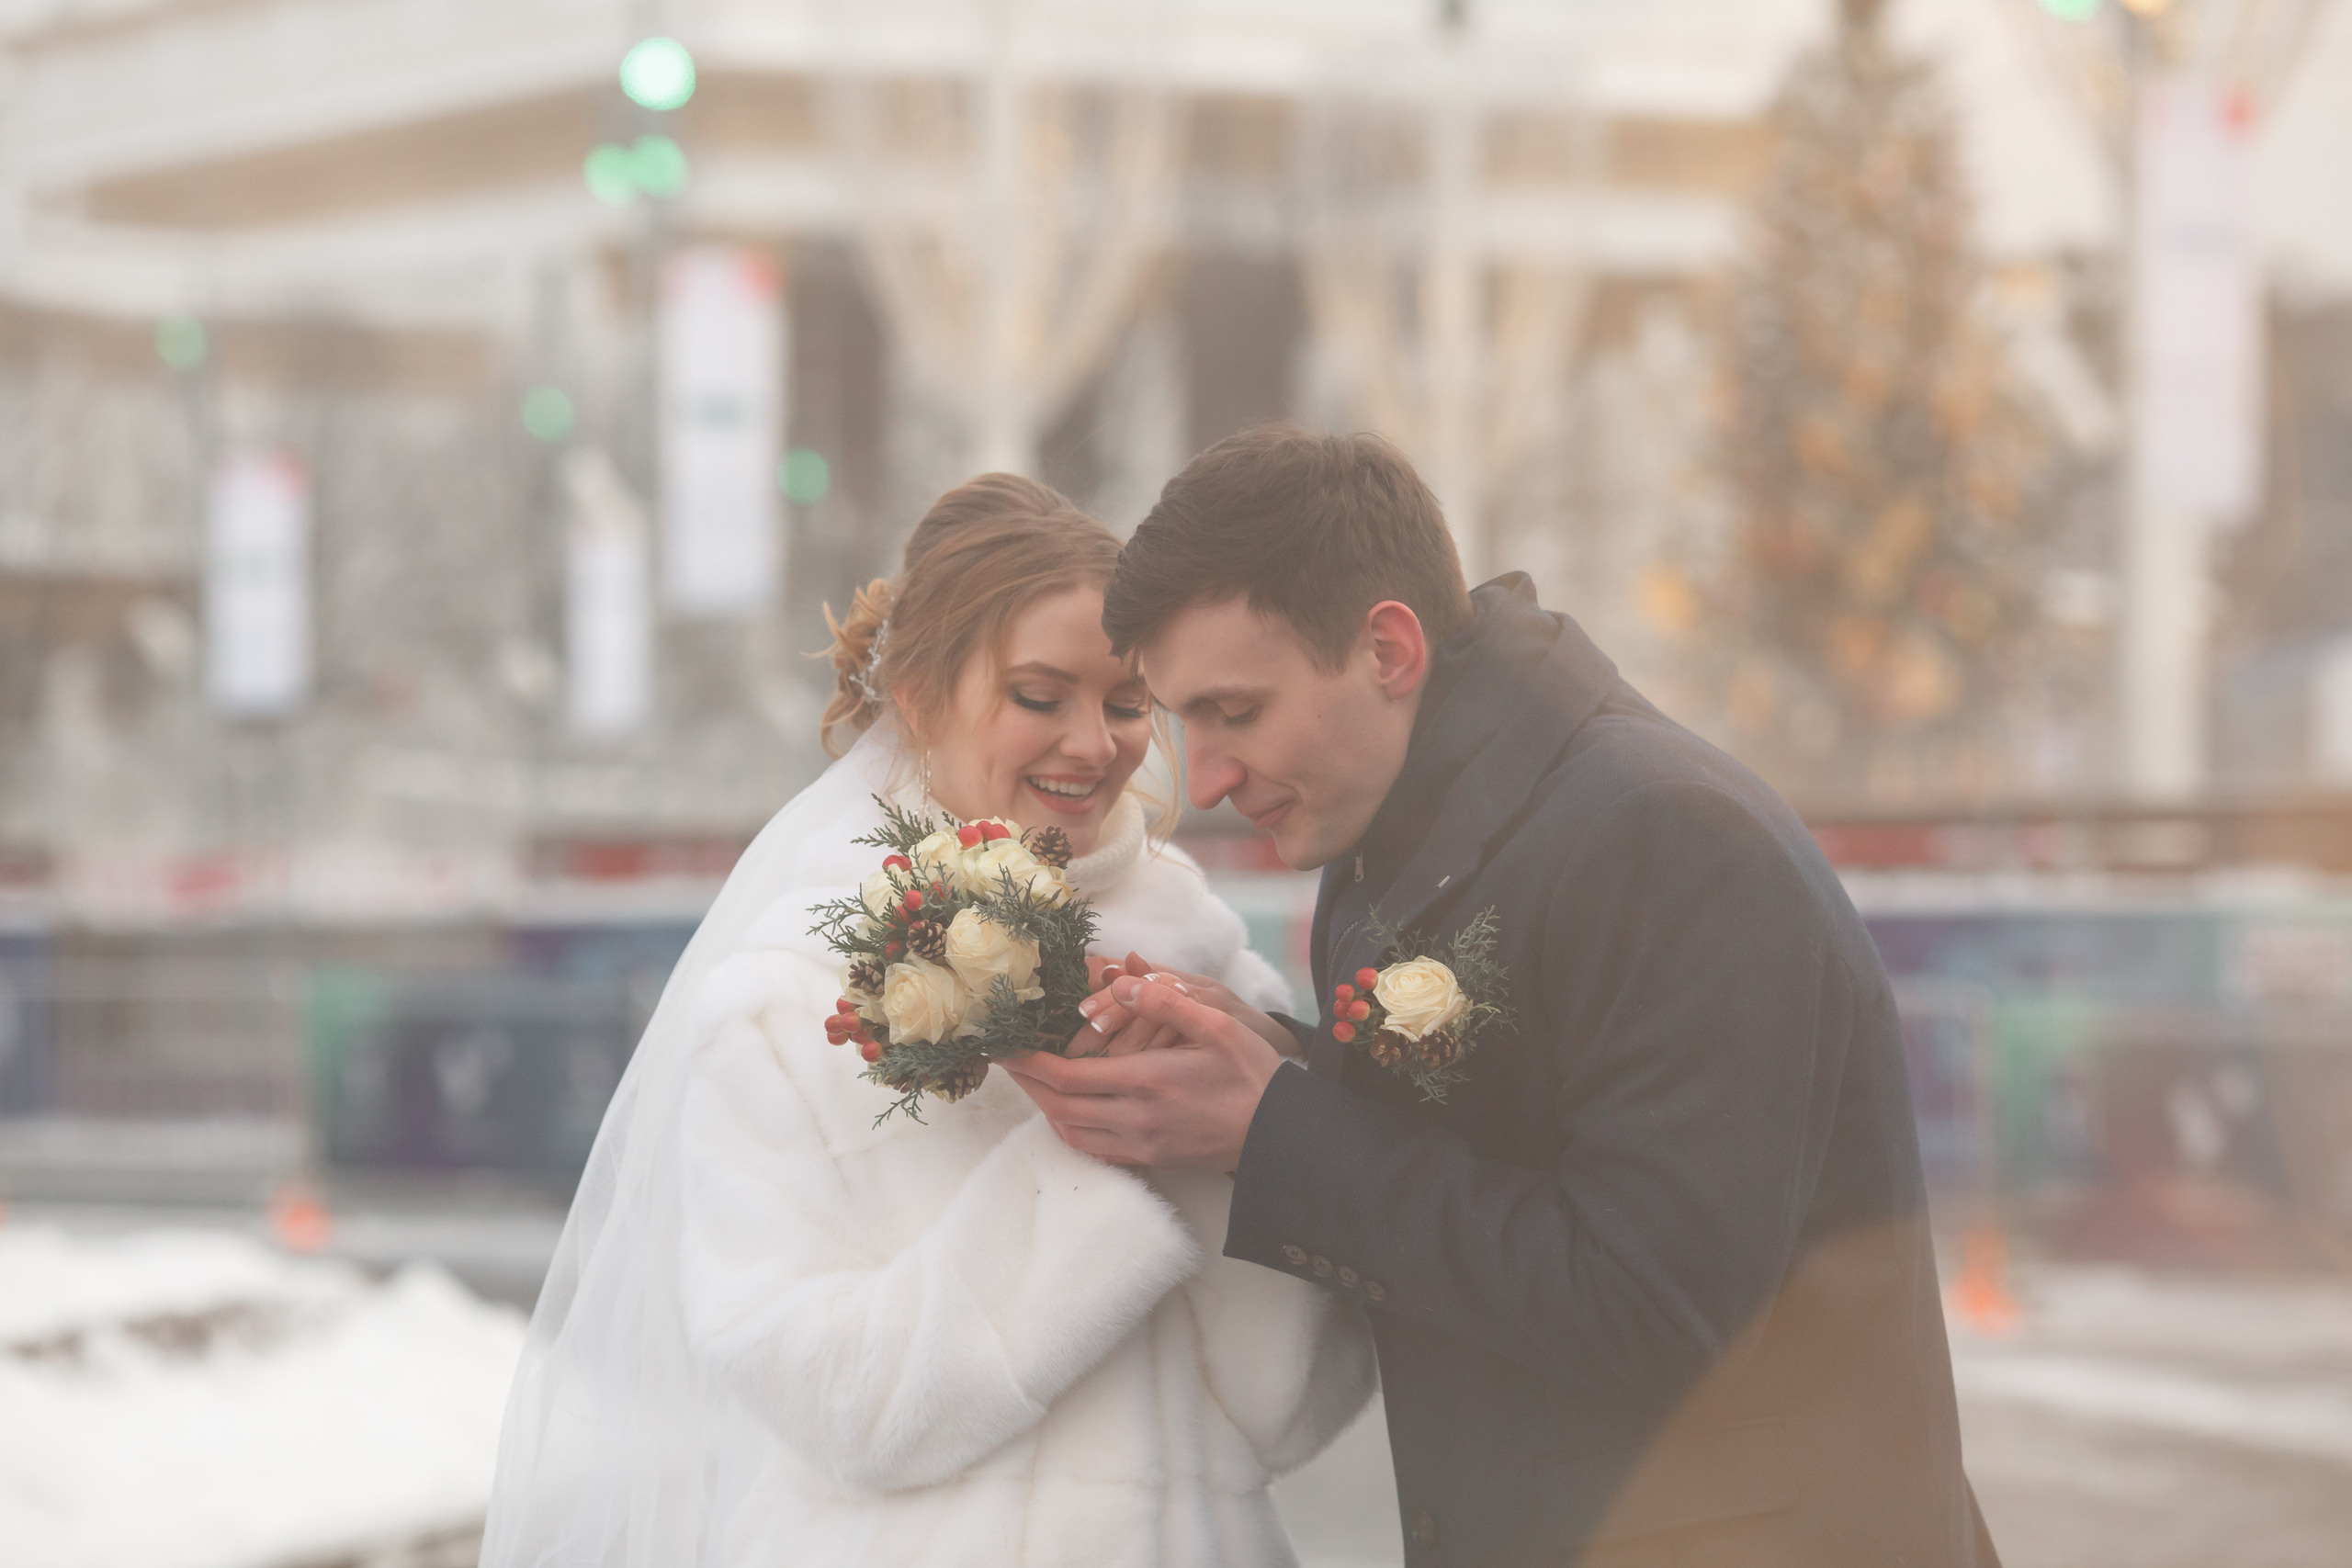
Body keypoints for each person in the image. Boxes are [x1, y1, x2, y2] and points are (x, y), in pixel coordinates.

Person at [1006, 428, 2000, 1567]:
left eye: (1234, 711)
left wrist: (1274, 1128)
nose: (1211, 776)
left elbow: (1659, 1304)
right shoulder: (1393, 822)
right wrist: (1272, 1067)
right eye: (1185, 720)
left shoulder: (1669, 837)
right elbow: (1516, 1140)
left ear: (1388, 649)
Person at [481, 474, 1374, 1568]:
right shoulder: (788, 996)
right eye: (1039, 696)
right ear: (917, 695)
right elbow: (836, 1404)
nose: (1094, 744)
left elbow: (1289, 1409)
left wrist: (1243, 1142)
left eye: (1126, 703)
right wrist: (1097, 1155)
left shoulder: (1201, 957)